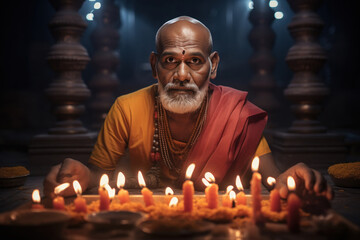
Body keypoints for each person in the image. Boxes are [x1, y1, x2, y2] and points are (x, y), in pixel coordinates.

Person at [44, 16, 333, 200]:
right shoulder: (127, 108)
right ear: (155, 66)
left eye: (195, 61)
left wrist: (289, 178)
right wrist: (82, 175)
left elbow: (272, 178)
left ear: (213, 65)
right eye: (171, 61)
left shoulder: (235, 112)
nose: (182, 75)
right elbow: (97, 176)